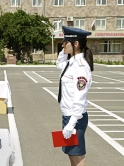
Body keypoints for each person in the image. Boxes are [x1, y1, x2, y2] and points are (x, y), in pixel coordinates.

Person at [56, 26, 94, 166]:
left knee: (78, 157)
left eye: (66, 42)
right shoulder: (70, 63)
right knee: (72, 155)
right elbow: (59, 64)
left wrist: (71, 124)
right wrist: (64, 51)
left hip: (75, 118)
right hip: (68, 116)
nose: (63, 45)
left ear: (76, 44)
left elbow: (80, 98)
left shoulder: (80, 67)